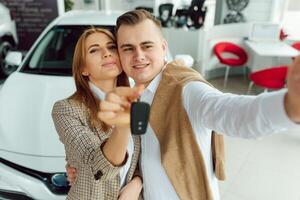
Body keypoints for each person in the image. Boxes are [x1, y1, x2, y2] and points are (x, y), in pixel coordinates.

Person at [68, 10, 300, 200]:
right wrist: (132, 179)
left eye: (147, 46)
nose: (138, 56)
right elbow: (139, 151)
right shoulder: (132, 93)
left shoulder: (186, 89)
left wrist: (289, 106)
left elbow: (232, 112)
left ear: (163, 47)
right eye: (128, 48)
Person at [51, 27, 143, 200]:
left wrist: (137, 182)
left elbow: (147, 157)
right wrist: (123, 123)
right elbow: (99, 166)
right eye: (94, 50)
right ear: (84, 69)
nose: (106, 53)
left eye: (111, 47)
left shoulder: (137, 101)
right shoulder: (66, 109)